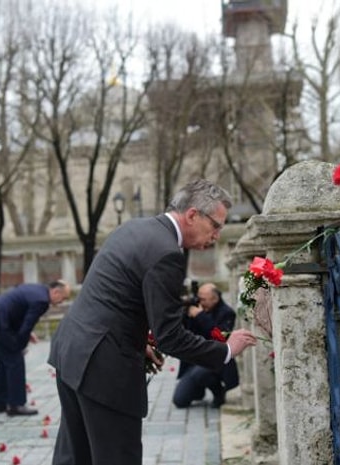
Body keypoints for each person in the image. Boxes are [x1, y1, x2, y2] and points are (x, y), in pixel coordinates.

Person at [48, 179, 258, 465]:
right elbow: (171, 336)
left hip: (72, 351)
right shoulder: (167, 253)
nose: (217, 235)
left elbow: (113, 299)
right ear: (193, 215)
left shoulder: (134, 228)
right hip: (103, 368)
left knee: (75, 457)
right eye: (216, 225)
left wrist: (137, 341)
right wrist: (226, 350)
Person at [0, 279, 71, 416]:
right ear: (56, 292)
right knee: (15, 361)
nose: (62, 302)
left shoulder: (36, 289)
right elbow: (26, 327)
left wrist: (21, 339)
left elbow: (17, 310)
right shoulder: (42, 301)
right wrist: (20, 346)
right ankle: (16, 405)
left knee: (2, 363)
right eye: (63, 298)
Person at [173, 283, 239, 409]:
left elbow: (220, 336)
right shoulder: (197, 308)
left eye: (204, 299)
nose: (200, 302)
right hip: (194, 361)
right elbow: (183, 331)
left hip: (216, 359)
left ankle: (218, 392)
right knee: (180, 401)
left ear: (215, 298)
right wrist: (186, 314)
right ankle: (198, 391)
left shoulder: (226, 313)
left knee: (199, 374)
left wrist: (200, 316)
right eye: (199, 298)